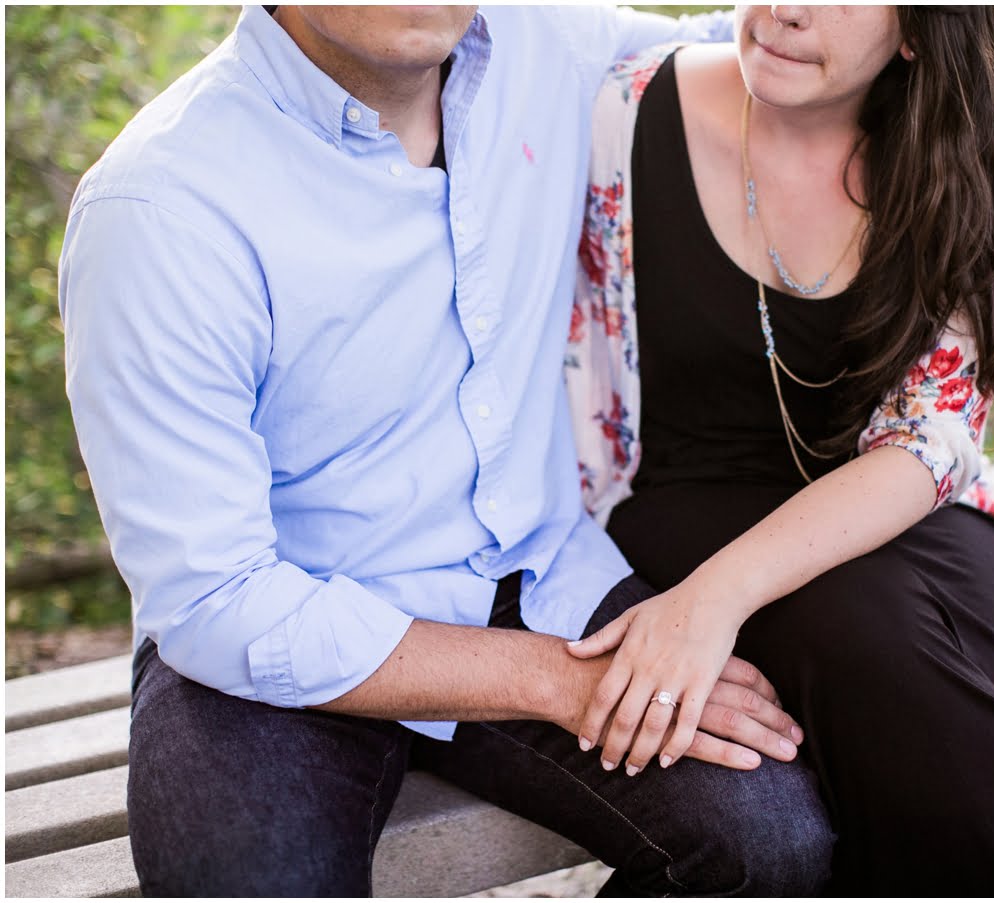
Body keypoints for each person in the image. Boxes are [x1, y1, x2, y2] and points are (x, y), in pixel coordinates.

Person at [57, 5, 837, 897]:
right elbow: (215, 596)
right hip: (272, 636)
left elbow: (741, 46)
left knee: (770, 842)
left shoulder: (538, 44)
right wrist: (553, 683)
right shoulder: (158, 206)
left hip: (538, 575)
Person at [565, 4, 994, 895]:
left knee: (878, 661)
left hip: (915, 527)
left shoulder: (955, 157)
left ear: (923, 31)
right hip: (678, 508)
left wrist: (713, 604)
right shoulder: (624, 114)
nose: (785, 9)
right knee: (885, 671)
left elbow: (928, 438)